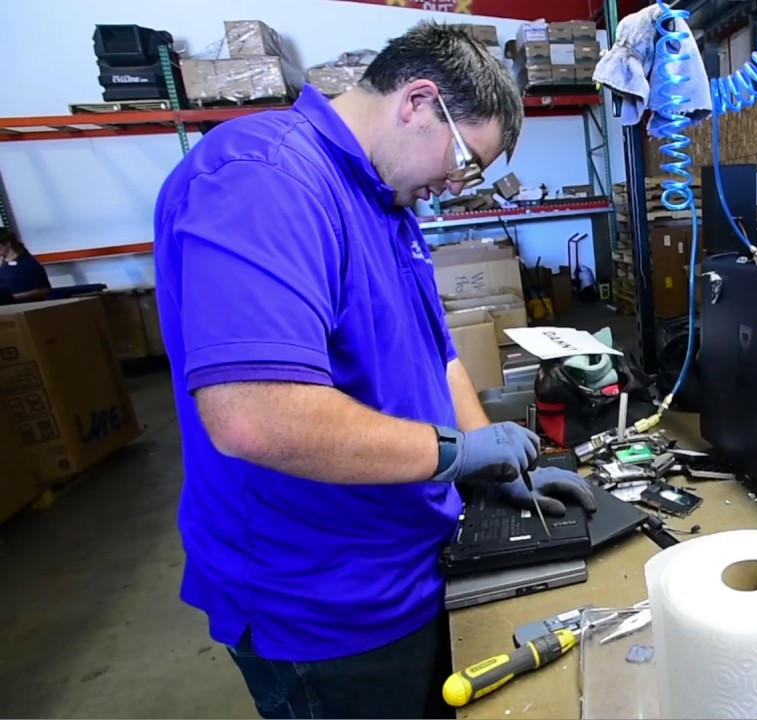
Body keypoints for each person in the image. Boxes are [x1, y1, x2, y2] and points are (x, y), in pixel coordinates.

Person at [152, 22, 597, 719]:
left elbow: (437, 353)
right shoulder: (265, 180)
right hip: (322, 600)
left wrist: (494, 465)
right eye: (464, 162)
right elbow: (253, 416)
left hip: (408, 562)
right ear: (418, 102)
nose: (454, 185)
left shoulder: (387, 200)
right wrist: (455, 453)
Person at [0, 228, 52, 303]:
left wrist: (13, 297)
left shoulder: (29, 263)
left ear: (7, 243)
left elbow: (45, 290)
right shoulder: (2, 264)